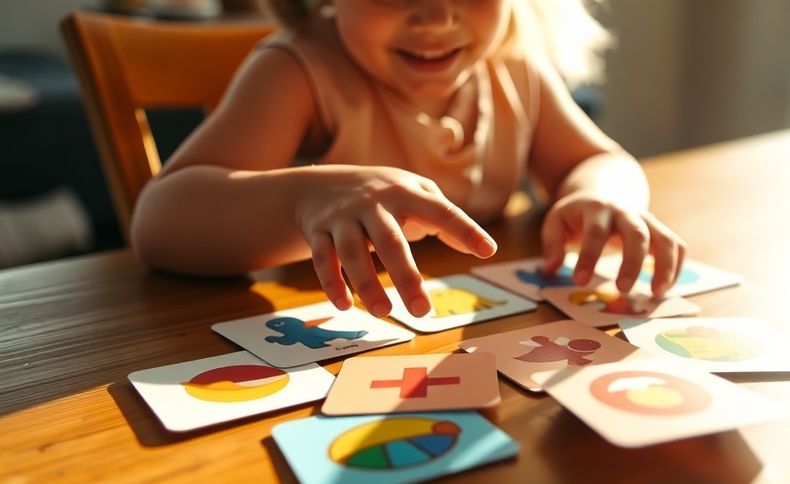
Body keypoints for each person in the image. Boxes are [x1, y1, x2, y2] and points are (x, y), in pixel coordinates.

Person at [131, 0, 686, 319]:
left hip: (471, 337)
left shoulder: (513, 65)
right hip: (326, 343)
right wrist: (303, 199)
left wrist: (601, 196)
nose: (436, 15)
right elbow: (159, 222)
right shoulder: (299, 72)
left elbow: (595, 160)